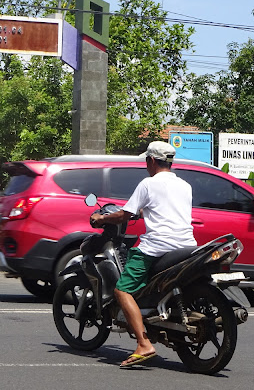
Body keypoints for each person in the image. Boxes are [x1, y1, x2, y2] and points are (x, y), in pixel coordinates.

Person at [90, 141, 195, 368]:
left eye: (146, 161)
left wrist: (101, 218)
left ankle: (143, 343)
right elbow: (164, 208)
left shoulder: (148, 183)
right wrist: (142, 210)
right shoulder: (185, 185)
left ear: (151, 161)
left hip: (156, 247)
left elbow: (123, 215)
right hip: (187, 246)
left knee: (122, 289)